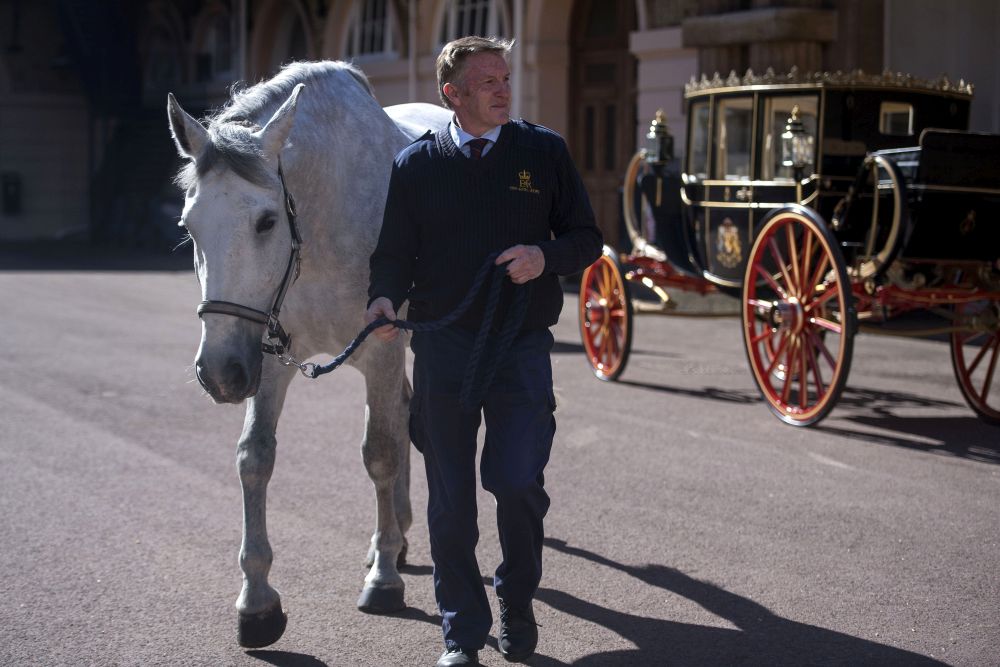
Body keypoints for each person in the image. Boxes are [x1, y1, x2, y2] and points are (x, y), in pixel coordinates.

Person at [366, 35, 602, 667]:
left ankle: (516, 601)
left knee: (518, 481)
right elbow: (392, 256)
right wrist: (384, 301)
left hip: (520, 346)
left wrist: (544, 256)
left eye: (505, 79)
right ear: (454, 94)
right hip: (444, 347)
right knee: (451, 501)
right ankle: (462, 634)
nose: (504, 90)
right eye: (489, 82)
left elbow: (588, 238)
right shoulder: (416, 166)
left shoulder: (542, 152)